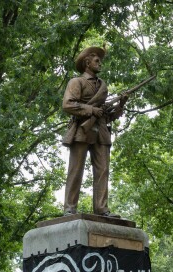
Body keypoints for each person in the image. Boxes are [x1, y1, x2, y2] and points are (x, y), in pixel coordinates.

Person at [61, 45, 125, 217]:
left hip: (101, 132)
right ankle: (69, 208)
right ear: (87, 62)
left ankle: (102, 209)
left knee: (103, 171)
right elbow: (67, 104)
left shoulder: (103, 86)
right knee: (76, 170)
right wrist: (91, 111)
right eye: (97, 60)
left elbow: (107, 116)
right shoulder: (76, 82)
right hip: (82, 131)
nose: (100, 64)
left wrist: (121, 105)